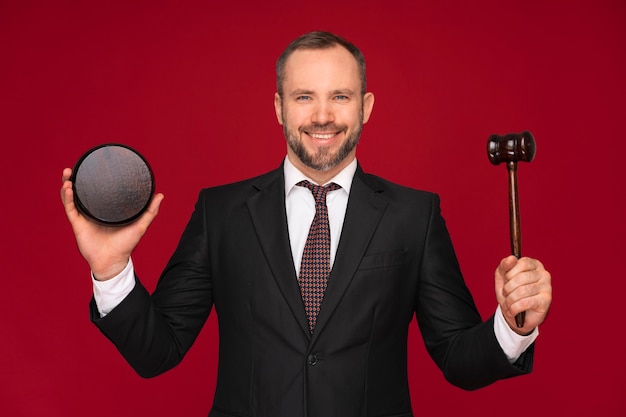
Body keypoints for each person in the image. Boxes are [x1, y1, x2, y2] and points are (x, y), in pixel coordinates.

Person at [60, 31, 552, 417]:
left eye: (340, 96)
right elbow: (157, 352)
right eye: (303, 97)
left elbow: (459, 360)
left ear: (366, 107)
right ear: (278, 108)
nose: (322, 115)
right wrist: (111, 268)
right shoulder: (222, 212)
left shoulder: (413, 216)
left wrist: (511, 326)